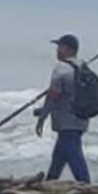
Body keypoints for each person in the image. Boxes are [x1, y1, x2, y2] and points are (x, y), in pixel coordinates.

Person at [34, 34, 92, 184]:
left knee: (74, 155)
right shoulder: (82, 66)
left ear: (67, 49)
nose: (57, 51)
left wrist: (42, 117)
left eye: (59, 47)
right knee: (59, 155)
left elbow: (53, 95)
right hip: (81, 118)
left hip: (67, 121)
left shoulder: (61, 68)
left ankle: (86, 185)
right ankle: (50, 181)